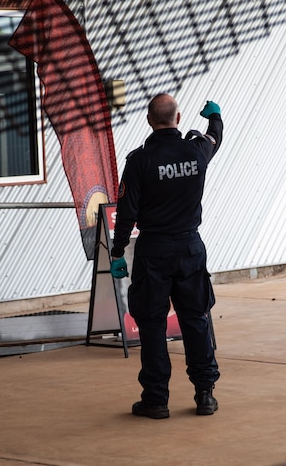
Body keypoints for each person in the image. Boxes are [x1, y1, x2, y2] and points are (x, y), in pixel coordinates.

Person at [109, 94, 223, 419]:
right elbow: (216, 135)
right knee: (196, 320)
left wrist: (117, 253)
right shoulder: (196, 150)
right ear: (179, 117)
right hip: (190, 249)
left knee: (152, 325)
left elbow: (126, 213)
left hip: (153, 252)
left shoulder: (139, 160)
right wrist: (214, 115)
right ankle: (205, 394)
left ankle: (156, 399)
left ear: (148, 120)